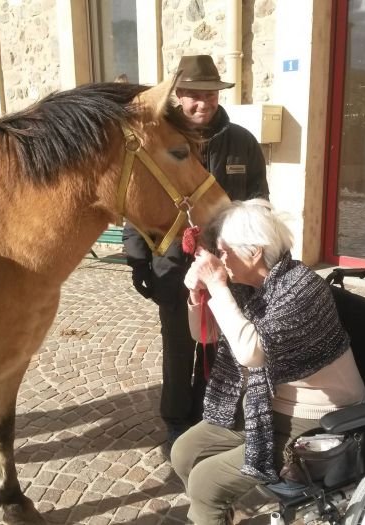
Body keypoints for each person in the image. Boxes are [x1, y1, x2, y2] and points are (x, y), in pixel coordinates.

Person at [170, 199, 365, 525]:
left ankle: (211, 508)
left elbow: (251, 352)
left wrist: (218, 286)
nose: (220, 259)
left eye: (224, 251)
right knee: (184, 452)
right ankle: (216, 513)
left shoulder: (301, 289)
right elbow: (204, 335)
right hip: (265, 402)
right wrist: (198, 295)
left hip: (315, 417)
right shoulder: (249, 287)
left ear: (254, 252)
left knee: (205, 483)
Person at [123, 55, 269, 446]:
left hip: (227, 265)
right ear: (177, 97)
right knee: (178, 343)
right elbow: (139, 199)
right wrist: (137, 257)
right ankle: (175, 416)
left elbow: (260, 200)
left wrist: (255, 253)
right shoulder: (160, 141)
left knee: (219, 343)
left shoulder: (242, 142)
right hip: (173, 263)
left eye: (210, 94)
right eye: (192, 95)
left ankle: (210, 411)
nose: (202, 103)